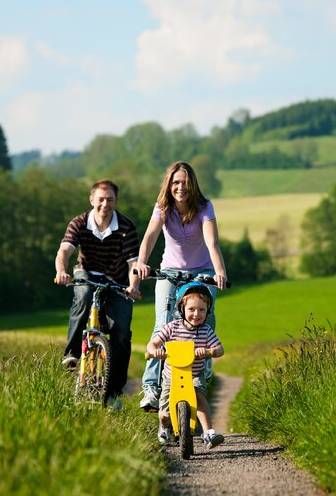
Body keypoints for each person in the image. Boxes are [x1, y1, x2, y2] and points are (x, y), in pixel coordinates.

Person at [136, 160, 227, 412]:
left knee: (204, 319)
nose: (180, 187)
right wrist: (142, 262)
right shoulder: (163, 207)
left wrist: (219, 272)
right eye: (175, 182)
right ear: (169, 184)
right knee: (163, 324)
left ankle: (204, 368)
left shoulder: (204, 206)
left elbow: (212, 242)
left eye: (185, 183)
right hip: (170, 271)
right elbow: (150, 236)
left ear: (192, 184)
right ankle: (152, 387)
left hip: (202, 271)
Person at [55, 179, 141, 407]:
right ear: (92, 200)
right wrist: (62, 271)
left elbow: (134, 262)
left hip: (117, 281)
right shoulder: (80, 222)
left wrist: (134, 286)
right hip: (87, 274)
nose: (105, 204)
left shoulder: (126, 227)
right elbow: (65, 250)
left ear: (116, 201)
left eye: (110, 199)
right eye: (100, 199)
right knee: (82, 298)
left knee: (121, 331)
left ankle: (114, 392)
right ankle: (72, 354)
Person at [146, 282, 225, 448]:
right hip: (171, 376)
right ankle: (164, 427)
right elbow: (152, 344)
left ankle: (208, 433)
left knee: (199, 397)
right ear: (181, 309)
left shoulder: (206, 331)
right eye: (191, 309)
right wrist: (155, 351)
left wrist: (208, 351)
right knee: (165, 413)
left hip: (194, 374)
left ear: (207, 311)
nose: (196, 314)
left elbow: (220, 349)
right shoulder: (172, 327)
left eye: (202, 310)